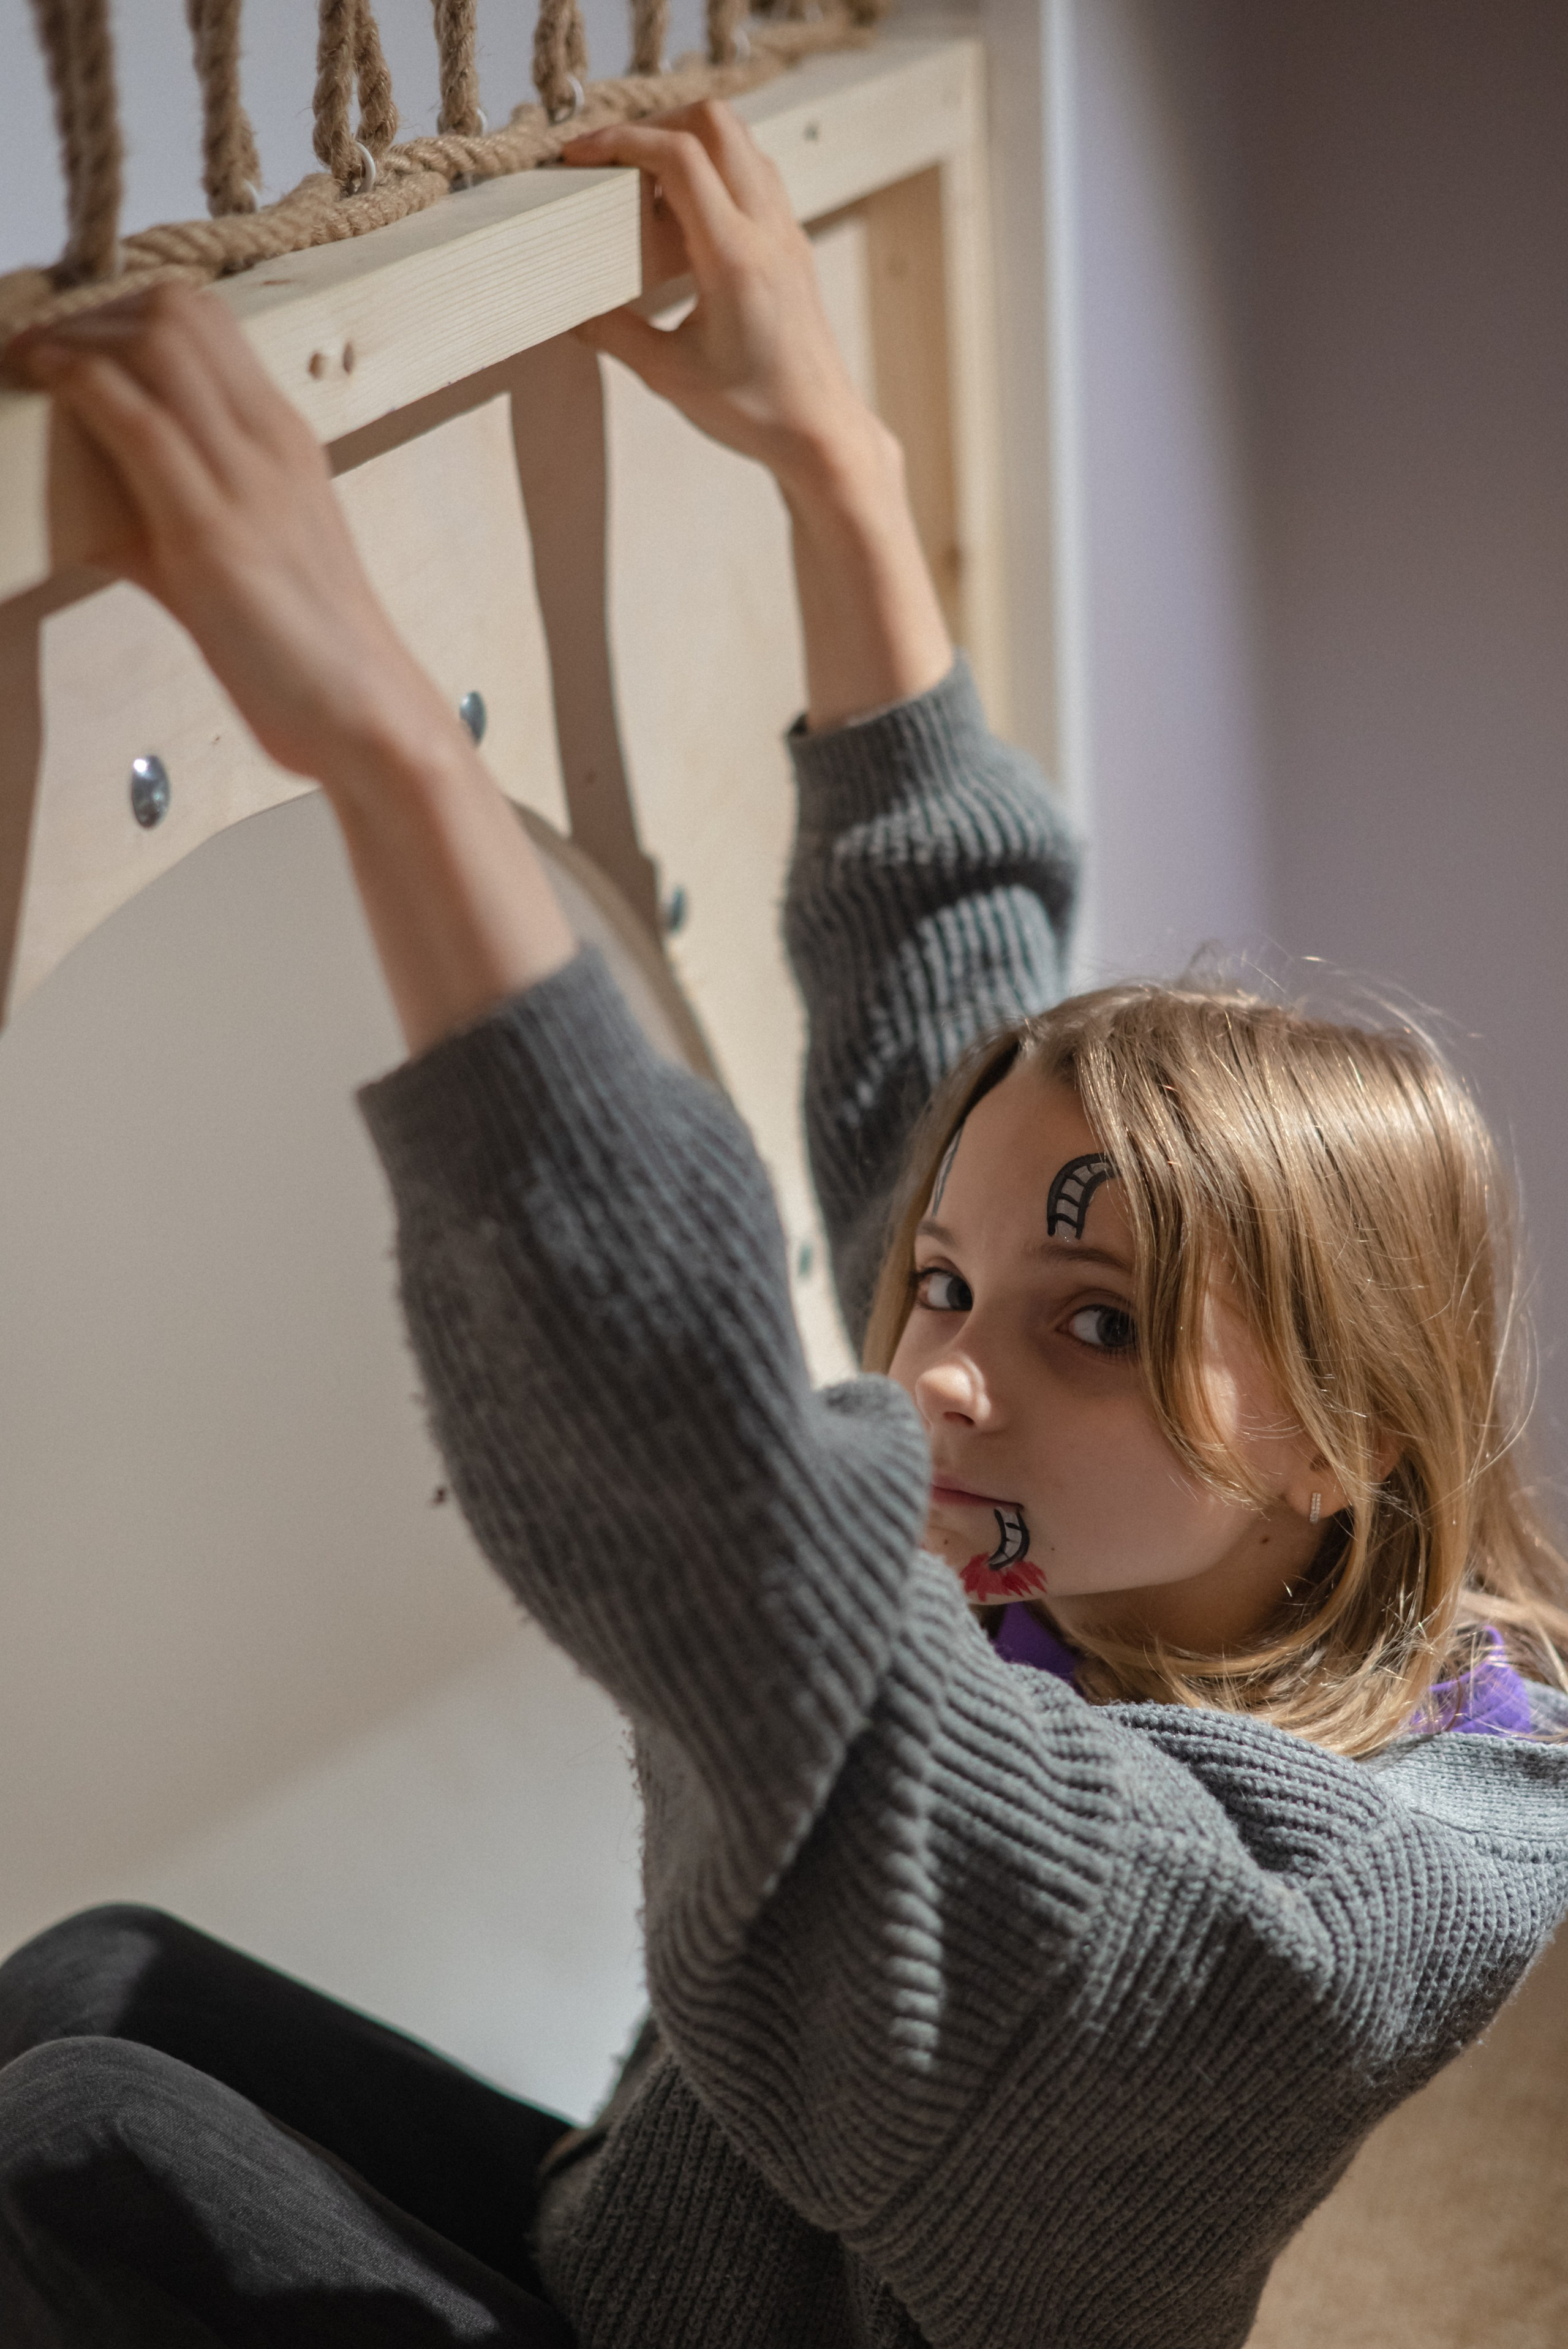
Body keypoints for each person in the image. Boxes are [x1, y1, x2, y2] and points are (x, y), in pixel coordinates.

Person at [1, 96, 1565, 2349]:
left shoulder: (1278, 1942)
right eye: (950, 1288)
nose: (941, 1363)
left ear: (1340, 1429)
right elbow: (963, 1059)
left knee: (72, 2136)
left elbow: (733, 1539)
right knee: (83, 1980)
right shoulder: (1208, 1558)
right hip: (673, 2255)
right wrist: (842, 466)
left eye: (1096, 1327)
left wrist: (387, 751)